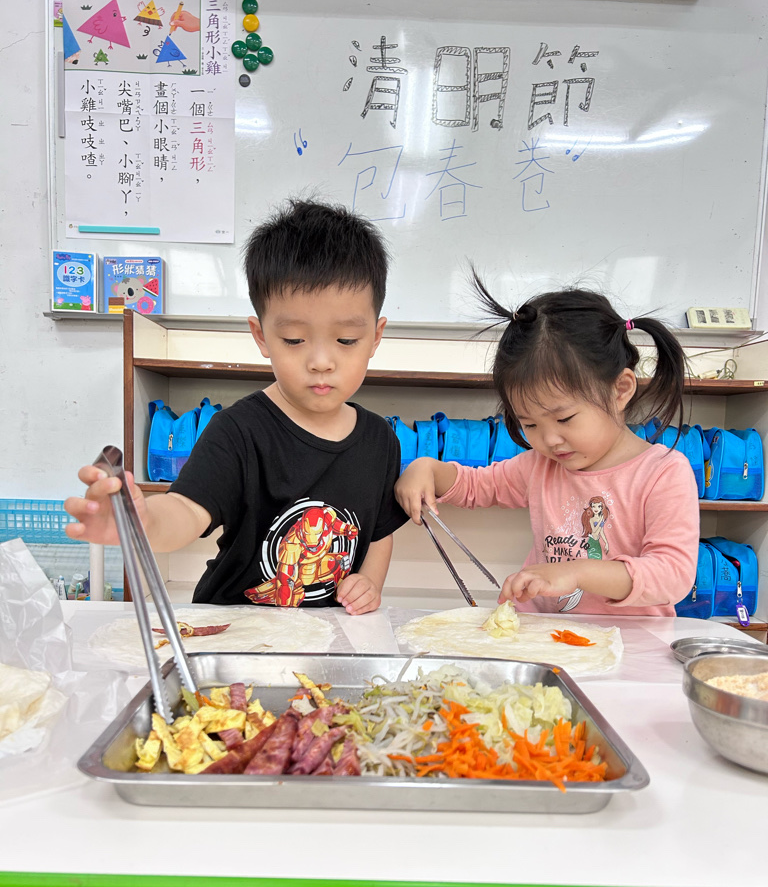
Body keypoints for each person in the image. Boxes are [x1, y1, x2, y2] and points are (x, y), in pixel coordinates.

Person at [65, 199, 408, 614]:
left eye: (346, 340)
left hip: (330, 635)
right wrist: (143, 523)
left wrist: (369, 582)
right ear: (261, 336)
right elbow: (186, 510)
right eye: (294, 340)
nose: (321, 361)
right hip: (235, 628)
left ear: (375, 337)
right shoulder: (237, 431)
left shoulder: (380, 440)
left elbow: (379, 533)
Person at [395, 280, 699, 616]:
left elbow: (672, 575)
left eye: (565, 418)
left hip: (631, 642)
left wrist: (577, 573)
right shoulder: (540, 465)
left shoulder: (663, 472)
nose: (549, 440)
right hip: (543, 635)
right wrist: (426, 469)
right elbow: (476, 485)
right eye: (530, 424)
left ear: (620, 390)